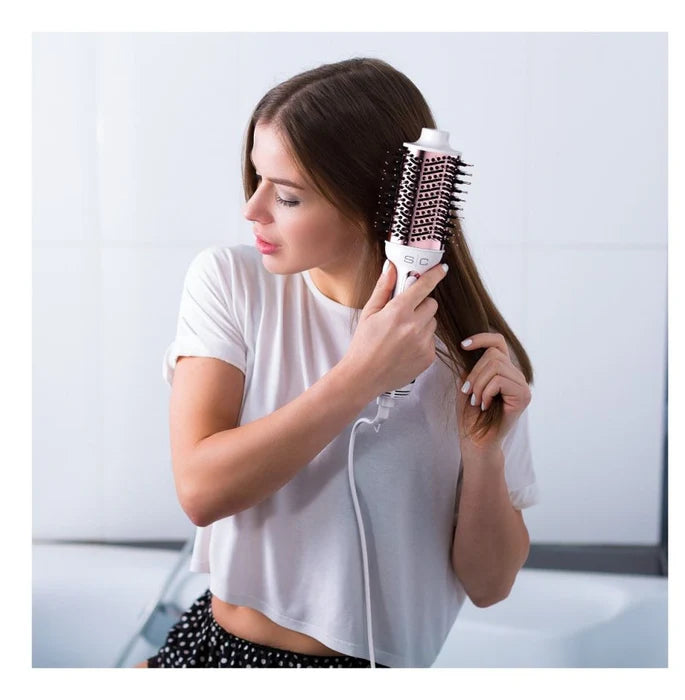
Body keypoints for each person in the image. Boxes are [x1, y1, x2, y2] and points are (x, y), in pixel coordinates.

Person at [136, 56, 540, 669]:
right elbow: (200, 490)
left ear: (374, 203)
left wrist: (484, 454)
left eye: (287, 196)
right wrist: (360, 377)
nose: (253, 209)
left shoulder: (473, 357)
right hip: (221, 650)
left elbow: (490, 586)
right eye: (257, 179)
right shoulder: (232, 283)